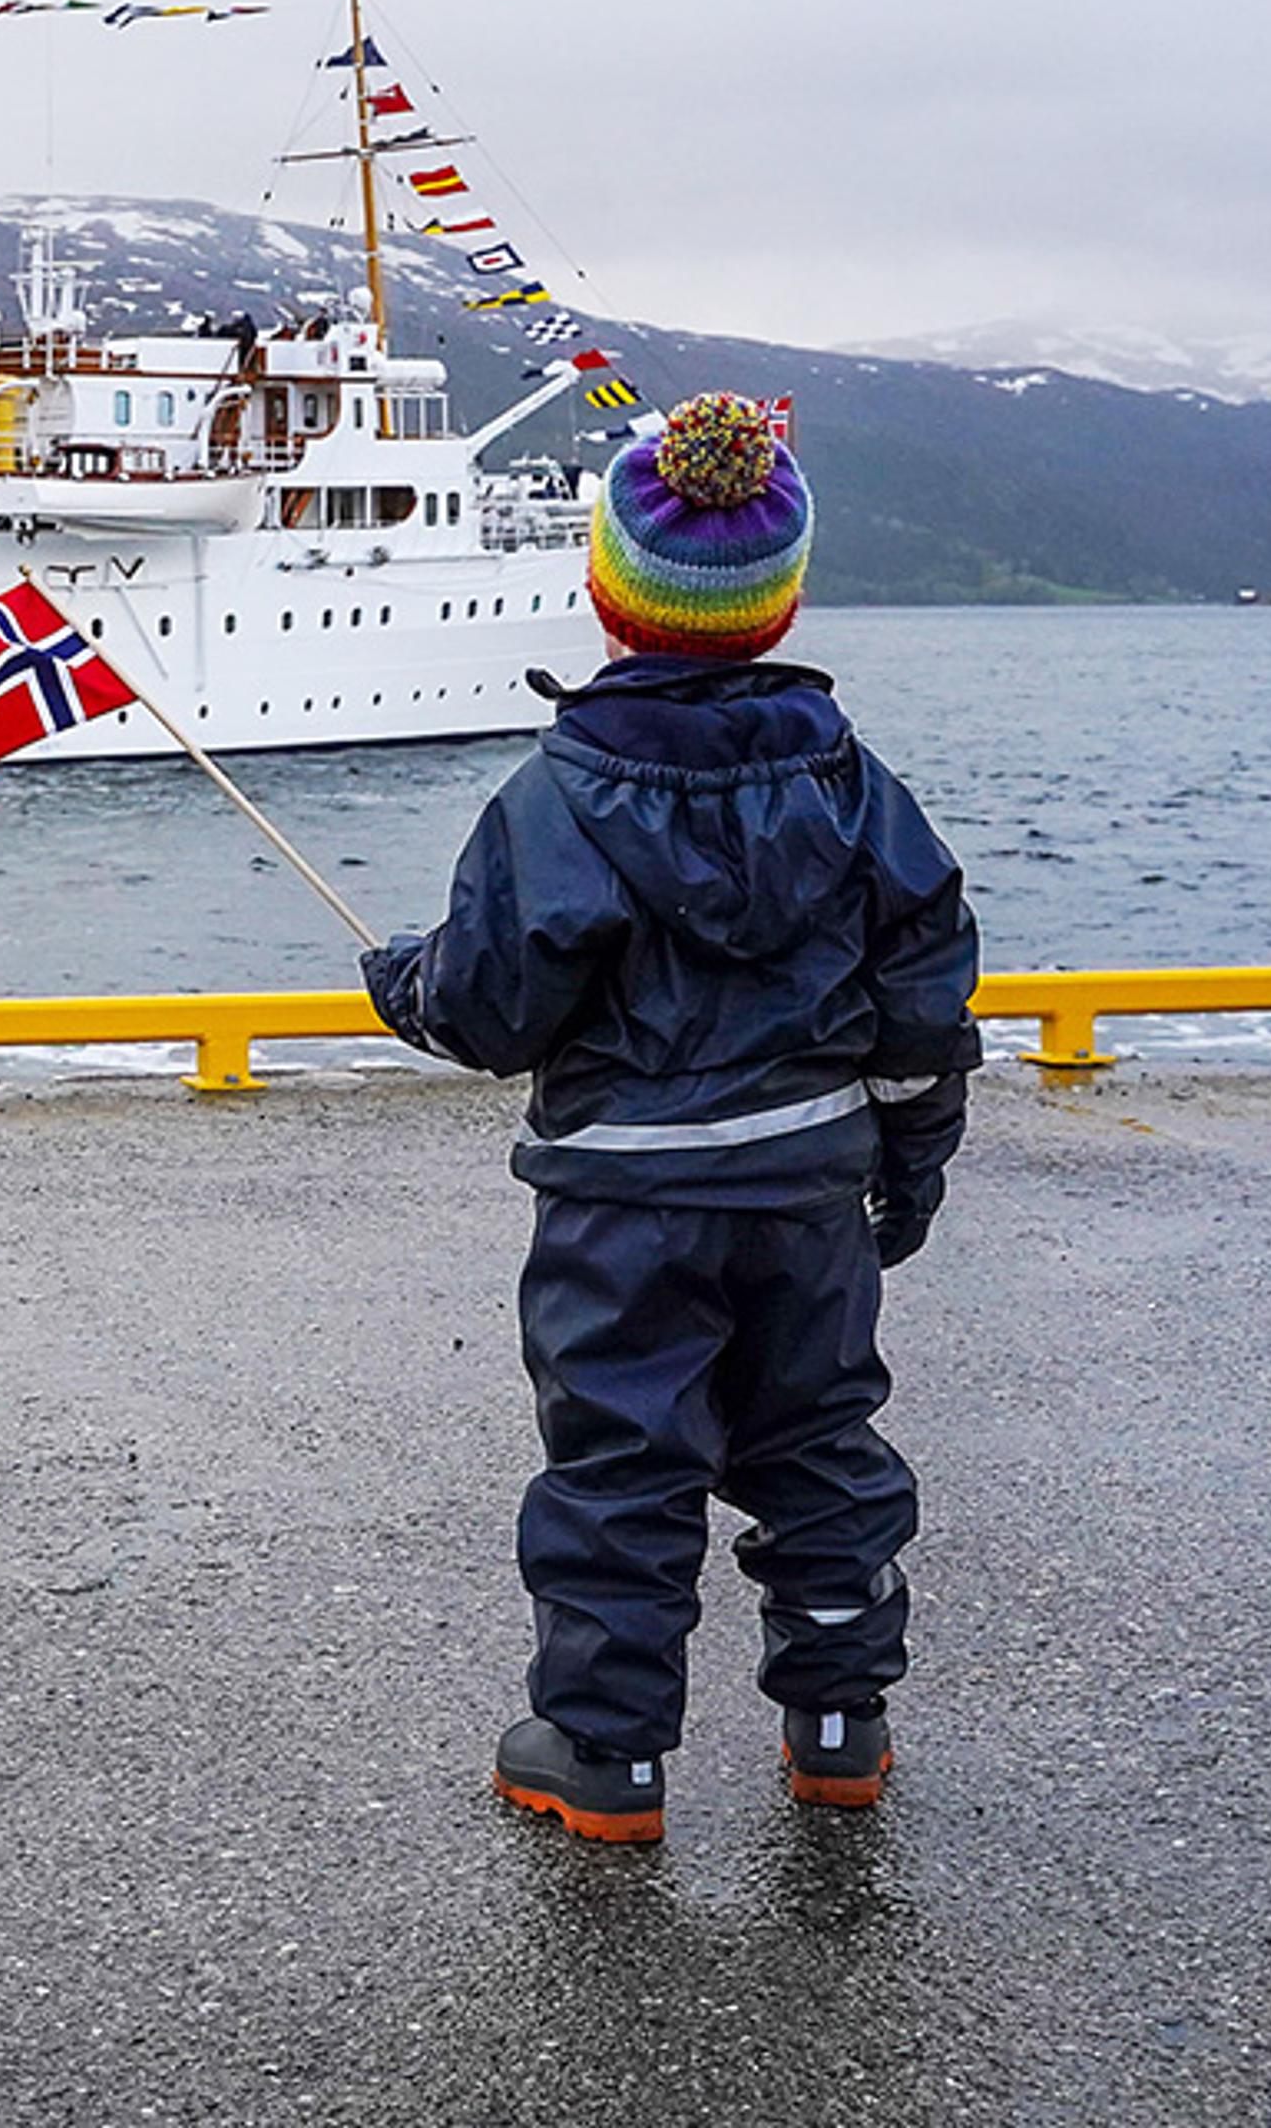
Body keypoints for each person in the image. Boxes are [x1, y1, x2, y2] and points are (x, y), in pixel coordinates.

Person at [361, 393, 978, 1847]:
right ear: (784, 602)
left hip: (622, 1207)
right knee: (821, 1448)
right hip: (810, 1193)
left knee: (622, 1471)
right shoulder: (850, 780)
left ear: (604, 591)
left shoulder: (557, 793)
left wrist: (407, 989)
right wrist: (914, 1158)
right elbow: (923, 994)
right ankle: (839, 1729)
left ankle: (605, 1754)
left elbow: (492, 1007)